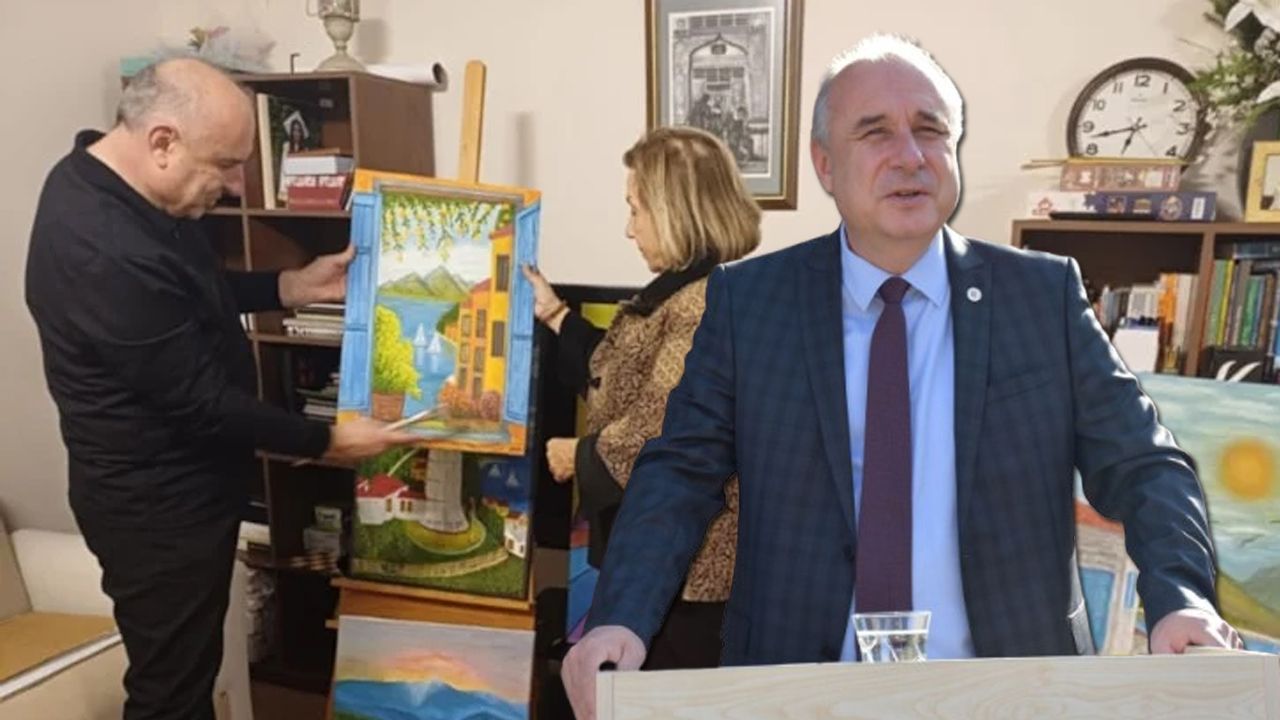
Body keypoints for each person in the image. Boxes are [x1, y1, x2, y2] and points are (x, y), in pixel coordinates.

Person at [562, 34, 1240, 719]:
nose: (910, 156)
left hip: (1006, 690)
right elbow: (679, 474)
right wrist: (621, 616)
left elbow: (1145, 464)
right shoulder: (750, 303)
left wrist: (1181, 598)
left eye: (930, 129)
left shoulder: (1042, 297)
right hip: (800, 690)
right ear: (825, 164)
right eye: (874, 132)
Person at [24, 58, 416, 720]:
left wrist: (287, 286)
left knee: (188, 675)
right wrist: (327, 440)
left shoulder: (119, 186)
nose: (235, 186)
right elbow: (202, 404)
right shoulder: (101, 246)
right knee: (171, 694)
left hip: (185, 490)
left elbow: (191, 296)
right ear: (163, 142)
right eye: (226, 165)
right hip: (154, 509)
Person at [523, 126, 761, 670]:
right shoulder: (685, 290)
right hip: (667, 567)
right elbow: (620, 374)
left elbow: (660, 432)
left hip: (688, 575)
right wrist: (554, 313)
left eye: (636, 210)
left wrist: (577, 455)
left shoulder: (704, 304)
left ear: (674, 211)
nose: (629, 229)